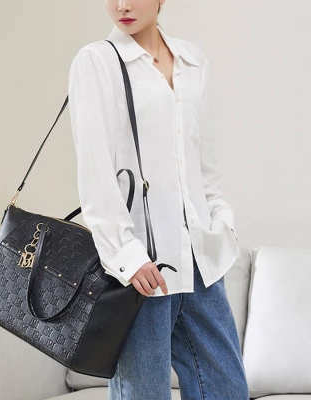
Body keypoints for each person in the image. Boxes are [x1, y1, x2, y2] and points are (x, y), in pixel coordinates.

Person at [68, 1, 250, 399]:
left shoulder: (192, 61)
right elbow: (96, 172)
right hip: (141, 269)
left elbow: (203, 163)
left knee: (227, 388)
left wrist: (221, 221)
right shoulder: (98, 62)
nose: (122, 5)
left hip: (199, 260)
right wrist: (127, 255)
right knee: (144, 392)